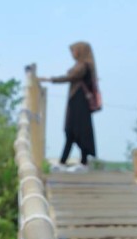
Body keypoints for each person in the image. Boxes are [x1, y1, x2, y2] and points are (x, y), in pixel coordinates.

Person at [39, 41, 98, 172]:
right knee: (71, 132)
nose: (72, 54)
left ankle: (79, 162)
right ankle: (68, 161)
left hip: (80, 103)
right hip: (76, 102)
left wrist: (49, 79)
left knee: (77, 131)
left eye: (74, 51)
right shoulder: (82, 66)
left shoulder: (84, 66)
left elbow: (69, 77)